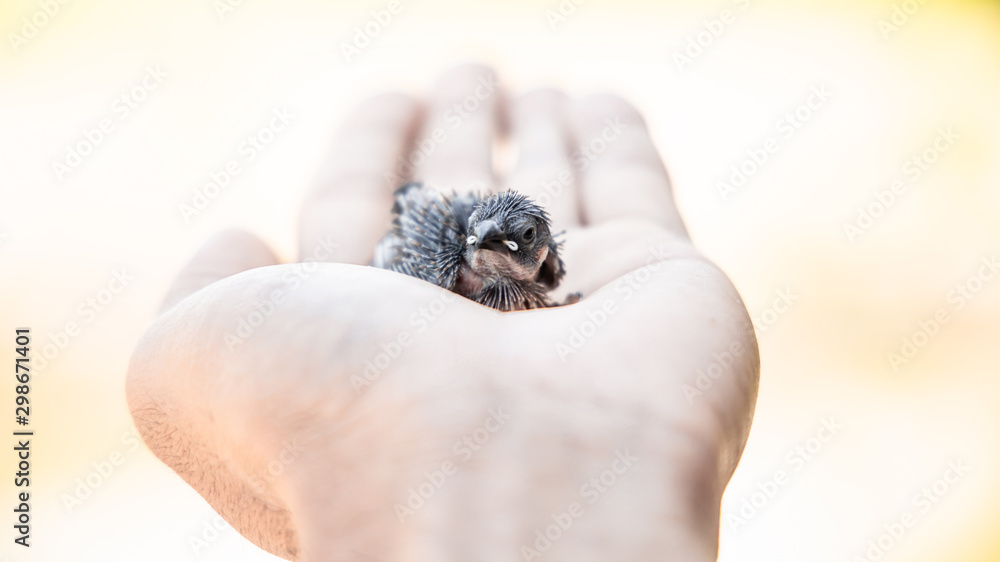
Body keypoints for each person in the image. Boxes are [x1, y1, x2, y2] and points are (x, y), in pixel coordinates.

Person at [126, 64, 759, 561]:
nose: (495, 259)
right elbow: (426, 239)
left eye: (518, 250)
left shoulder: (540, 267)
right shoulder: (436, 266)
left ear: (538, 254)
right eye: (484, 246)